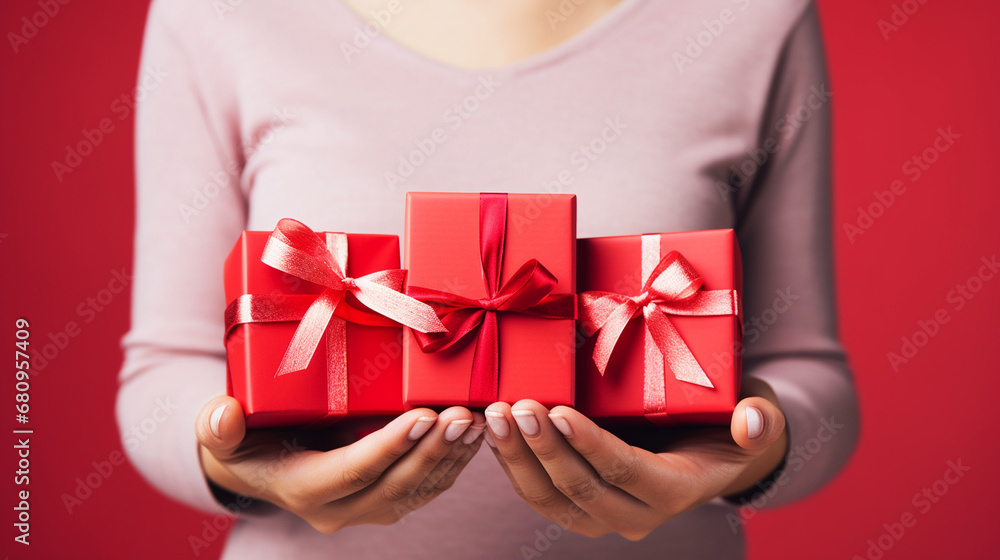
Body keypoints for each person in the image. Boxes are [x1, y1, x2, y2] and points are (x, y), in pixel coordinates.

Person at [117, 0, 859, 558]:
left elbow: (807, 372)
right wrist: (237, 460)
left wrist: (756, 444)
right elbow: (165, 373)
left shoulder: (753, 15)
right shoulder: (218, 12)